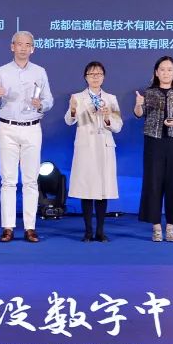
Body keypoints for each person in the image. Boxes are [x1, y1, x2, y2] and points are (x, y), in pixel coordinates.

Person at [0, 31, 53, 243]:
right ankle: (8, 227)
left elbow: (49, 100)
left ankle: (30, 228)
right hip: (7, 128)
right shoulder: (1, 71)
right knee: (8, 180)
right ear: (12, 46)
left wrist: (41, 104)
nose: (23, 48)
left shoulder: (40, 72)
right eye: (19, 44)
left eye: (27, 45)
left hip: (32, 128)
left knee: (31, 180)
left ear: (33, 48)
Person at [135, 56, 173, 242]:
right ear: (156, 72)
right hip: (153, 141)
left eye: (169, 69)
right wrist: (138, 104)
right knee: (153, 183)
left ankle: (170, 227)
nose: (166, 73)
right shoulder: (149, 92)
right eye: (162, 69)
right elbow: (139, 114)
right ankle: (156, 227)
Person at [64, 61, 123, 242]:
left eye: (99, 74)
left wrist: (107, 118)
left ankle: (100, 231)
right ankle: (88, 231)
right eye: (92, 74)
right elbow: (69, 121)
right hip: (86, 147)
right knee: (87, 189)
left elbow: (118, 126)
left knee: (103, 189)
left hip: (104, 147)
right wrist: (73, 109)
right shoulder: (77, 97)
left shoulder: (111, 99)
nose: (95, 77)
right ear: (86, 77)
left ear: (103, 77)